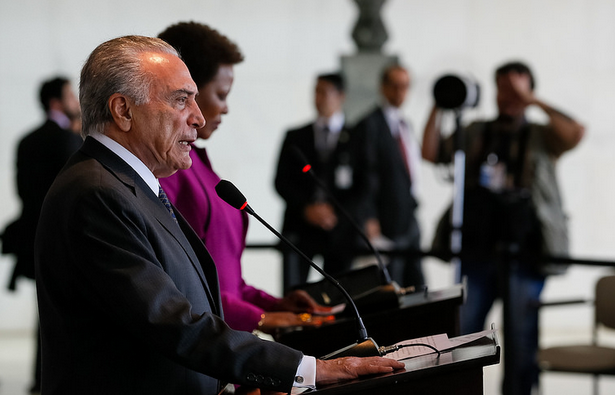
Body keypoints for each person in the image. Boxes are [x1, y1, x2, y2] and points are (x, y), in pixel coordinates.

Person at [34, 35, 403, 395]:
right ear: (123, 110)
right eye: (181, 101)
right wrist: (309, 370)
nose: (197, 117)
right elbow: (172, 323)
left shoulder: (131, 183)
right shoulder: (97, 193)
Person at [422, 61, 585, 395]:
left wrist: (532, 100)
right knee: (464, 335)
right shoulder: (477, 131)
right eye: (502, 89)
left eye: (516, 89)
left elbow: (576, 132)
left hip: (526, 254)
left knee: (520, 340)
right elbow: (431, 152)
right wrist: (441, 103)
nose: (508, 97)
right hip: (478, 250)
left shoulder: (542, 134)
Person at [158, 21, 326, 334]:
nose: (225, 108)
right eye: (221, 95)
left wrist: (273, 305)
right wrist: (259, 319)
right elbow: (180, 284)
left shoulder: (199, 167)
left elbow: (228, 284)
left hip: (227, 347)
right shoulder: (167, 171)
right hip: (204, 349)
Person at [1, 76, 82, 394]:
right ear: (56, 103)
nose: (77, 101)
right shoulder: (66, 141)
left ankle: (42, 379)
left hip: (35, 237)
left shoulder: (28, 139)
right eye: (70, 96)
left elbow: (25, 193)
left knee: (48, 312)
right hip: (63, 241)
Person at [275, 73, 360, 291]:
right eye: (316, 92)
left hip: (339, 230)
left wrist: (335, 213)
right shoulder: (295, 136)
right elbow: (281, 181)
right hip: (300, 227)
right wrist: (307, 208)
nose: (318, 98)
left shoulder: (357, 138)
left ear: (340, 96)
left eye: (325, 92)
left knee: (340, 296)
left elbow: (365, 185)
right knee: (294, 293)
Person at [354, 64, 425, 289]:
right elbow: (366, 174)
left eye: (404, 86)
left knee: (417, 282)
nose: (399, 92)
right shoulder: (369, 125)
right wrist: (369, 217)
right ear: (383, 87)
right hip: (385, 218)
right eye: (394, 86)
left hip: (409, 215)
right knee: (391, 283)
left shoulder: (405, 125)